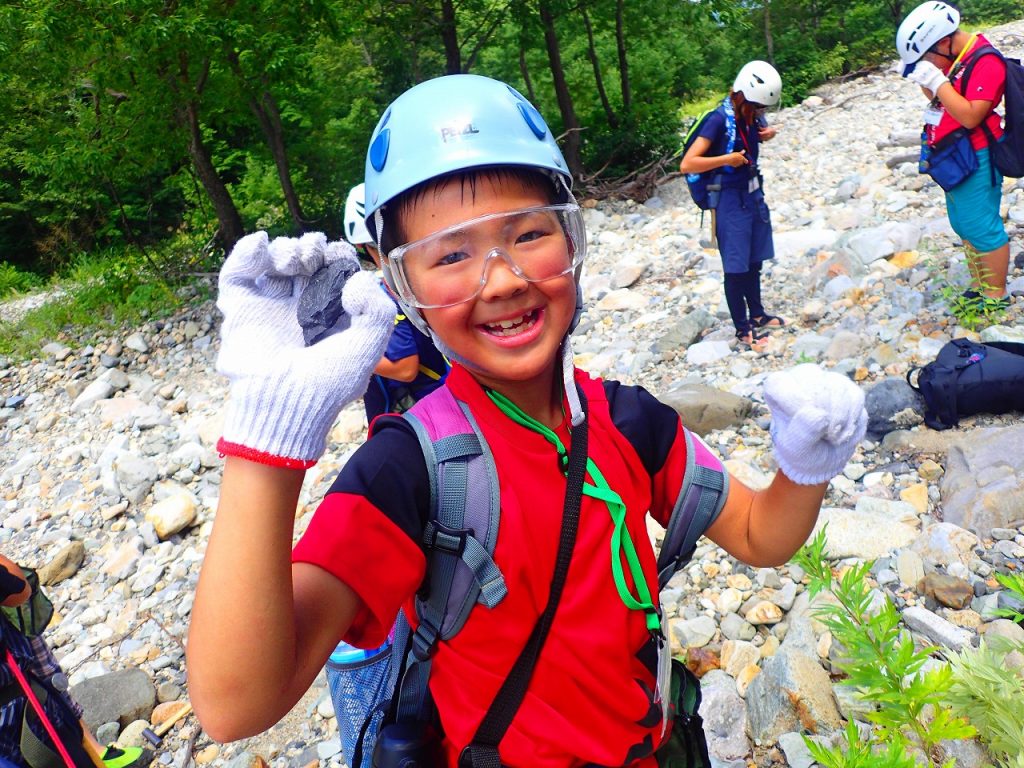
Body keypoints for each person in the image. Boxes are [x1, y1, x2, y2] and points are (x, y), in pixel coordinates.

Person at [187, 74, 867, 767]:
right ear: (403, 288)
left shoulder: (629, 422)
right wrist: (266, 444)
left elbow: (758, 534)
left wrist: (804, 464)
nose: (505, 278)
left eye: (530, 233)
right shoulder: (411, 471)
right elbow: (236, 704)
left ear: (571, 237)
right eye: (452, 254)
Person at [897, 1, 1010, 310]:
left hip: (977, 154)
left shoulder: (986, 61)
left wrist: (936, 79)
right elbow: (941, 98)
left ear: (944, 41)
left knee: (982, 226)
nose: (929, 63)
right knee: (963, 224)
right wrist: (925, 80)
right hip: (954, 154)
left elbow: (971, 116)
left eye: (927, 56)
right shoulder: (956, 58)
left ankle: (996, 295)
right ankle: (980, 284)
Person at [1, 555, 148, 768]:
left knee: (51, 685)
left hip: (28, 706)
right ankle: (92, 750)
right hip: (20, 713)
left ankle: (93, 749)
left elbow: (20, 590)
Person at [679, 60, 785, 351]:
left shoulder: (750, 115)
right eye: (757, 106)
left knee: (755, 259)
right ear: (743, 96)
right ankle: (742, 328)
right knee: (736, 265)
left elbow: (754, 135)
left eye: (762, 108)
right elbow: (688, 164)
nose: (760, 112)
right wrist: (728, 159)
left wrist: (768, 133)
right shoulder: (718, 120)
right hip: (728, 198)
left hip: (752, 193)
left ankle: (758, 313)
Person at [343, 183, 449, 422]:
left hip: (422, 411)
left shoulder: (384, 296)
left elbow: (404, 368)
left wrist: (352, 354)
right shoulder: (429, 277)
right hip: (446, 397)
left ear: (360, 246)